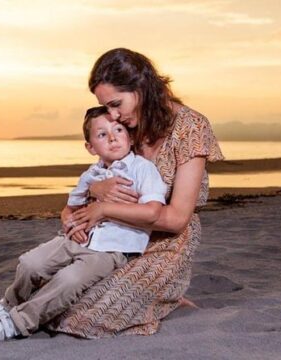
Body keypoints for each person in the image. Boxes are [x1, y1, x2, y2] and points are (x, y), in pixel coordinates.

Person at [47, 48, 224, 338]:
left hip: (165, 239)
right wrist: (80, 204)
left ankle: (165, 296)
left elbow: (177, 218)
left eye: (117, 103)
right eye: (107, 107)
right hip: (115, 234)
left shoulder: (191, 127)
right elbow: (93, 182)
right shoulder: (128, 125)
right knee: (48, 292)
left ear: (141, 86)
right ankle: (153, 297)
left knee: (83, 317)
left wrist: (104, 209)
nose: (113, 115)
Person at [0, 106, 168, 342]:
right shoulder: (90, 174)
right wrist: (71, 220)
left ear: (130, 137)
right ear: (90, 147)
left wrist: (106, 209)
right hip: (77, 237)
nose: (112, 137)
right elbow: (71, 208)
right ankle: (9, 303)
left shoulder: (142, 169)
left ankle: (17, 323)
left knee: (69, 279)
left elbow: (152, 211)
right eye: (102, 134)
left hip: (111, 248)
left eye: (118, 129)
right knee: (30, 263)